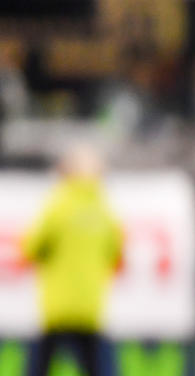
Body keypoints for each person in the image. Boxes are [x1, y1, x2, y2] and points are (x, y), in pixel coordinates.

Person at [22, 144, 124, 376]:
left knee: (39, 367)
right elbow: (116, 256)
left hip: (57, 307)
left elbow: (30, 248)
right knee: (95, 367)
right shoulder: (104, 211)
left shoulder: (58, 207)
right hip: (90, 306)